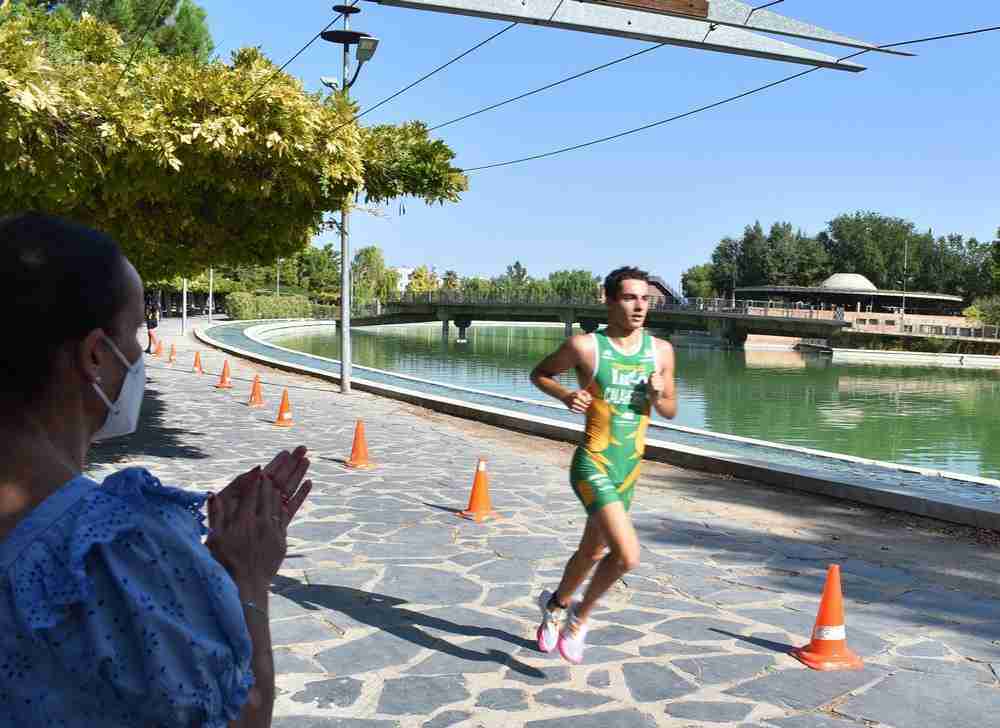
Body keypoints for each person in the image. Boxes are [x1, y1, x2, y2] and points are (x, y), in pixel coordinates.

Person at [0, 213, 312, 727]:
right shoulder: (119, 551)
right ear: (96, 356)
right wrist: (248, 578)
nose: (141, 358)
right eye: (137, 339)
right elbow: (237, 718)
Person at [529, 266, 677, 664]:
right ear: (609, 300)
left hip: (629, 469)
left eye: (645, 298)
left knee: (593, 552)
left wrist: (659, 393)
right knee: (627, 555)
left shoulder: (660, 352)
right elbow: (539, 373)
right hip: (592, 463)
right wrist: (564, 395)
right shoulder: (585, 347)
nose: (639, 306)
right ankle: (579, 618)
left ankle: (557, 605)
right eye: (630, 298)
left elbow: (670, 410)